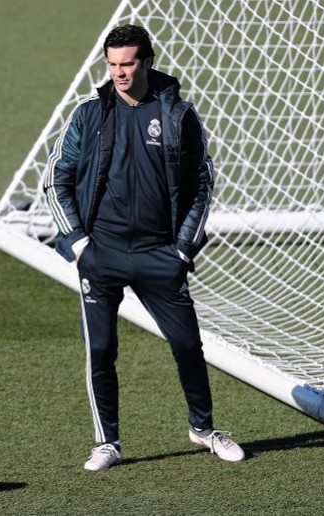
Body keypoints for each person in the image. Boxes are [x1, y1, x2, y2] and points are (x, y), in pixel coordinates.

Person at [44, 24, 244, 471]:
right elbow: (56, 177)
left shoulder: (179, 115)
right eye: (112, 64)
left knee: (187, 344)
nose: (119, 72)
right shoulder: (88, 114)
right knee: (100, 350)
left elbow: (202, 182)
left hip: (160, 254)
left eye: (128, 63)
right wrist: (79, 243)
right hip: (101, 253)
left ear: (148, 62)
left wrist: (183, 249)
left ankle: (204, 429)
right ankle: (107, 442)